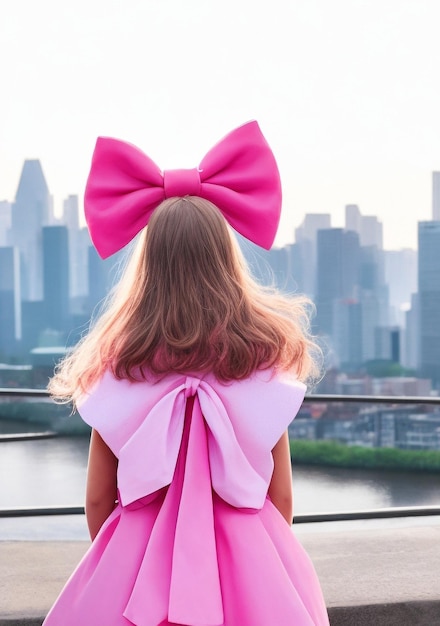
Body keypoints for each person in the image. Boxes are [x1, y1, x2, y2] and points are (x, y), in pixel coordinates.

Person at [43, 121, 330, 626]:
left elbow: (96, 498)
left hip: (138, 571)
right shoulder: (261, 363)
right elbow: (280, 497)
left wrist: (124, 565)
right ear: (226, 261)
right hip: (250, 563)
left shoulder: (120, 367)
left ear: (147, 266)